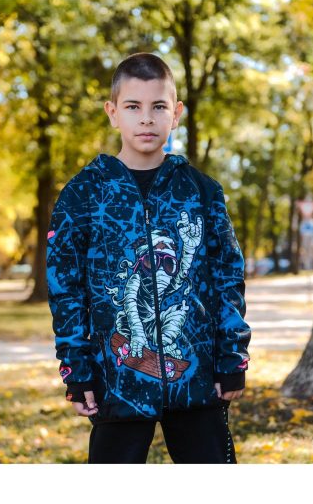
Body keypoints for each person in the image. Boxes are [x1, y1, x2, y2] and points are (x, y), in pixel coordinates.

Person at [47, 52, 251, 464]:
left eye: (158, 106)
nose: (146, 119)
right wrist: (76, 369)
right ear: (112, 113)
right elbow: (65, 289)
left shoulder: (201, 191)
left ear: (176, 114)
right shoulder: (83, 194)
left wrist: (232, 356)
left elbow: (228, 276)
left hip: (194, 378)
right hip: (115, 381)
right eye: (132, 107)